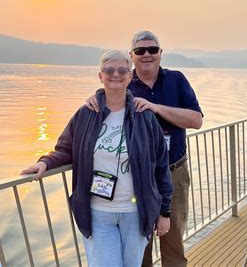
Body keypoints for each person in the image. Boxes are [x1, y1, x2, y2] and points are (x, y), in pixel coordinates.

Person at [21, 50, 172, 267]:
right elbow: (65, 148)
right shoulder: (86, 114)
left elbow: (161, 166)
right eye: (109, 70)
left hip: (135, 212)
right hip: (98, 213)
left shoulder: (144, 116)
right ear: (100, 76)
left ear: (130, 76)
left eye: (122, 70)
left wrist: (164, 211)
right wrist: (45, 162)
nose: (115, 75)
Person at [86, 31, 203, 267]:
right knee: (140, 245)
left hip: (174, 172)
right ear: (132, 56)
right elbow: (106, 102)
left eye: (152, 49)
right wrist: (94, 99)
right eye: (140, 51)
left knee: (173, 238)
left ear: (161, 53)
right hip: (137, 177)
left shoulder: (176, 80)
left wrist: (156, 108)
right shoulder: (126, 84)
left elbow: (196, 120)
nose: (147, 55)